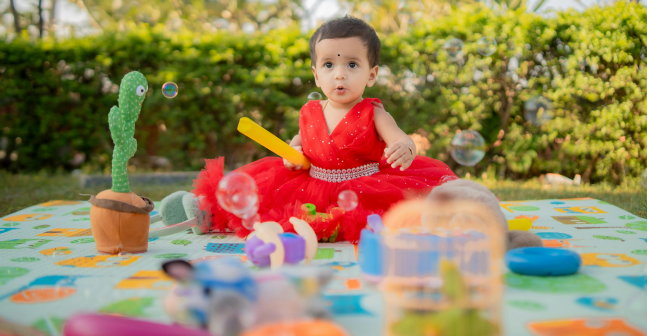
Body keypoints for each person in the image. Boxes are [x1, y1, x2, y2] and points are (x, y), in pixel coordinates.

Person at [193, 16, 457, 241]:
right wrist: (292, 154)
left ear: (371, 75)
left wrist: (405, 148)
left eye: (352, 65)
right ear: (317, 75)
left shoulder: (373, 113)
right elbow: (298, 142)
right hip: (312, 183)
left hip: (363, 188)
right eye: (329, 65)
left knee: (393, 219)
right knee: (262, 198)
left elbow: (401, 139)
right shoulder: (310, 111)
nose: (339, 74)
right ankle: (208, 213)